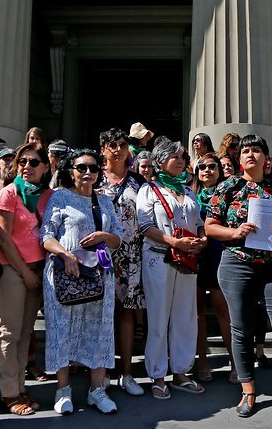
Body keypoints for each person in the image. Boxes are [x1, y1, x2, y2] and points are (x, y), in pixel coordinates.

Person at [205, 134, 272, 419]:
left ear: (265, 157)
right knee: (242, 329)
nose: (251, 155)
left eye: (256, 151)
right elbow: (210, 227)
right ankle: (248, 391)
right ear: (240, 158)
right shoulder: (228, 187)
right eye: (246, 151)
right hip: (237, 264)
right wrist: (235, 233)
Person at [41, 149, 123, 415]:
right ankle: (62, 390)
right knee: (63, 329)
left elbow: (118, 238)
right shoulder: (60, 197)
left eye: (93, 168)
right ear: (70, 170)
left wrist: (103, 235)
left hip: (100, 274)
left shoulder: (105, 201)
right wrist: (65, 254)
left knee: (99, 330)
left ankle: (96, 390)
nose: (88, 173)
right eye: (81, 168)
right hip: (67, 274)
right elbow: (46, 236)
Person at [136, 139, 207, 400]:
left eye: (183, 157)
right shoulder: (148, 190)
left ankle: (181, 371)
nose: (181, 161)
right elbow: (144, 225)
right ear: (160, 161)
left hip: (187, 258)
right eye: (175, 156)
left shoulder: (189, 191)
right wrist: (174, 242)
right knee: (158, 315)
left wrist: (201, 238)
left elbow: (198, 221)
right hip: (159, 257)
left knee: (186, 315)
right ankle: (157, 374)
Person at [0, 143, 53, 416]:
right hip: (12, 270)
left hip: (39, 271)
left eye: (33, 162)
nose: (27, 166)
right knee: (9, 333)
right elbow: (2, 238)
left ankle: (20, 386)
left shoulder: (50, 195)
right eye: (22, 161)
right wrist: (25, 272)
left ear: (46, 167)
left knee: (26, 333)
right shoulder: (9, 193)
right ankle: (9, 392)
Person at [98, 128, 148, 397]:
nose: (117, 149)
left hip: (132, 256)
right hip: (100, 256)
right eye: (111, 145)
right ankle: (102, 372)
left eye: (121, 145)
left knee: (127, 313)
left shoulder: (138, 182)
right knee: (103, 314)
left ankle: (127, 373)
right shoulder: (93, 178)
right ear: (103, 150)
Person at [191, 153, 236, 384]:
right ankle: (203, 361)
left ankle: (235, 362)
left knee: (223, 310)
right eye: (202, 167)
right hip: (197, 257)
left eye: (211, 166)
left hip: (221, 254)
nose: (207, 170)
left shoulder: (229, 194)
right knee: (197, 313)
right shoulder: (190, 197)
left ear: (219, 170)